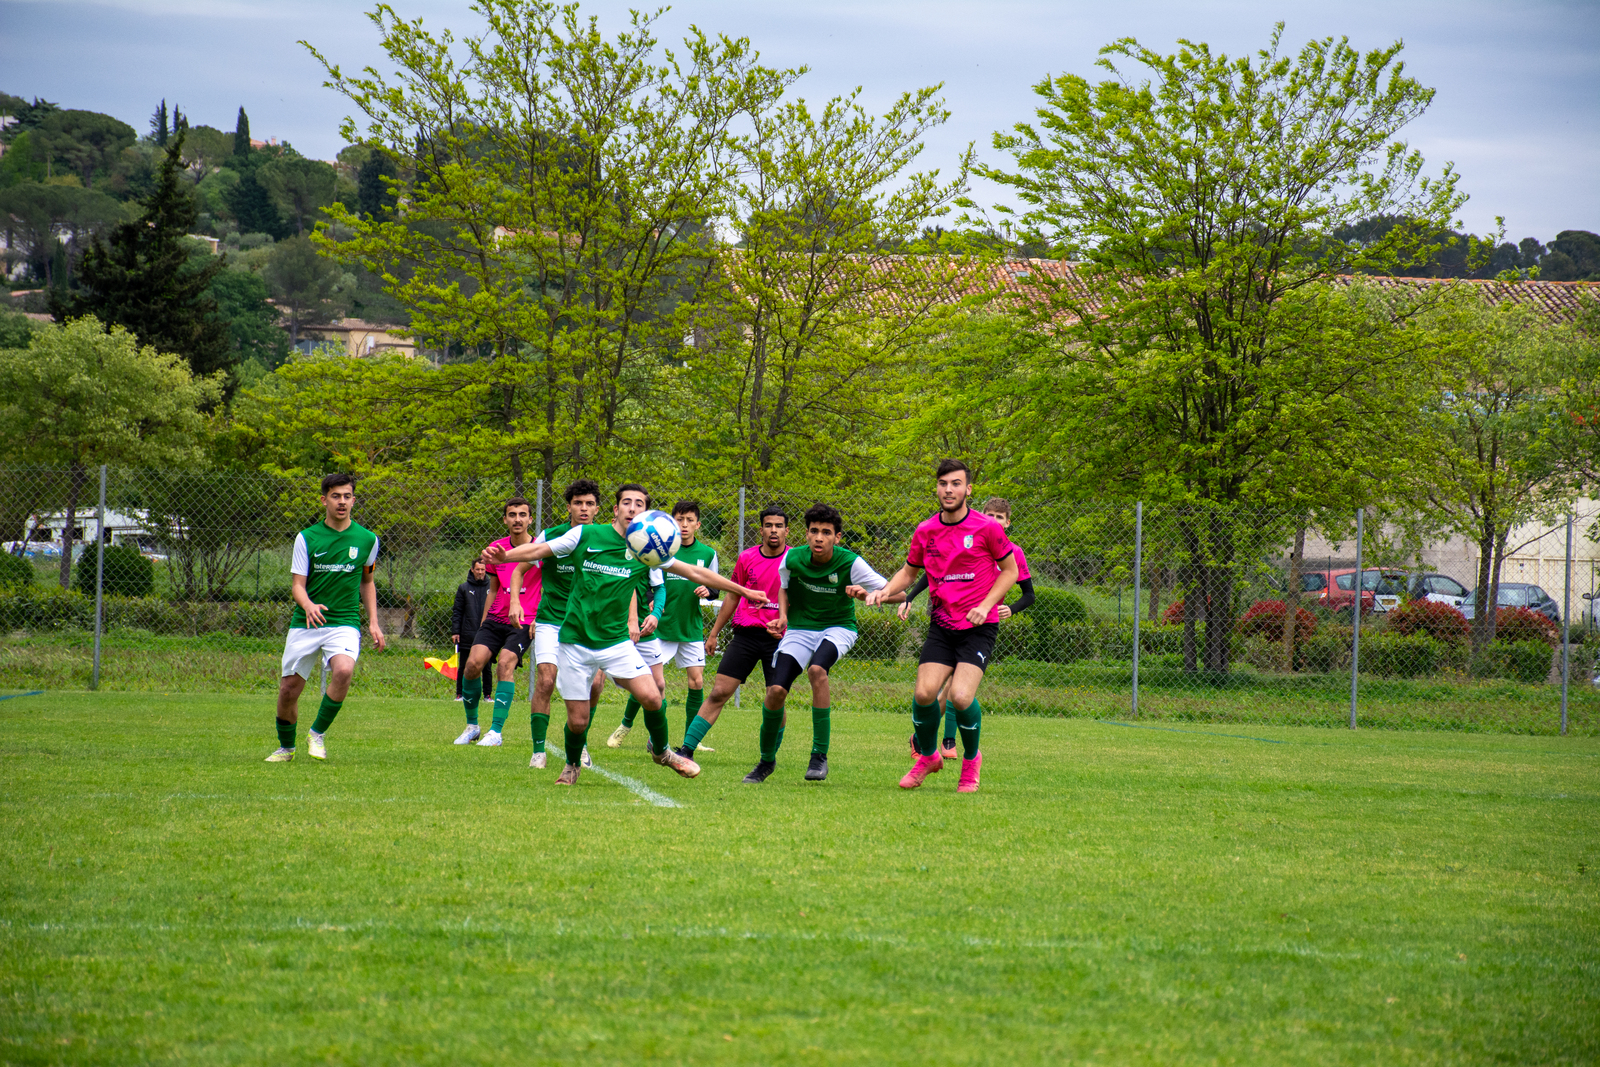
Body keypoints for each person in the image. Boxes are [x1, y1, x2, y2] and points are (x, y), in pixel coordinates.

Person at [486, 483, 767, 786]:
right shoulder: (586, 535)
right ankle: (571, 764)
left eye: (639, 504)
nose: (632, 508)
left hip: (615, 642)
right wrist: (506, 557)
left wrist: (744, 591)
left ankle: (663, 752)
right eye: (627, 502)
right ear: (616, 509)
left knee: (653, 696)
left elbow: (696, 573)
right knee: (578, 721)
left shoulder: (646, 550)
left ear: (646, 512)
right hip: (575, 642)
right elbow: (539, 550)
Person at [868, 460, 1018, 793]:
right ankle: (928, 757)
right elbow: (909, 572)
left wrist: (985, 605)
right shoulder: (926, 530)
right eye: (943, 483)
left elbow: (1010, 571)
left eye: (955, 483)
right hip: (942, 624)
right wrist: (885, 591)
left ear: (968, 489)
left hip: (978, 626)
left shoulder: (987, 528)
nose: (948, 490)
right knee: (924, 694)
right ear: (936, 487)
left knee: (961, 697)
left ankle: (971, 761)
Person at [742, 503, 895, 785]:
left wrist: (866, 594)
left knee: (817, 670)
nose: (819, 538)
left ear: (837, 537)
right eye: (814, 531)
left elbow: (897, 594)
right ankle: (765, 761)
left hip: (838, 628)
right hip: (800, 629)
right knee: (775, 691)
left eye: (826, 532)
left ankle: (819, 756)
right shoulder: (793, 559)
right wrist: (783, 617)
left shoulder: (851, 562)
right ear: (806, 534)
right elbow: (784, 589)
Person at [899, 495, 1036, 759]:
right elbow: (933, 572)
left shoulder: (1014, 553)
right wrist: (910, 596)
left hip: (980, 624)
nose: (993, 520)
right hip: (948, 620)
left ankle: (934, 740)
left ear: (1007, 523)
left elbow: (1028, 594)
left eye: (999, 517)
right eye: (989, 515)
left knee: (957, 690)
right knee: (946, 689)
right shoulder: (969, 540)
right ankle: (942, 742)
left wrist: (1011, 608)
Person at [266, 473, 386, 763]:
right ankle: (286, 748)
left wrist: (373, 621)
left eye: (347, 496)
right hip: (306, 622)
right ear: (324, 500)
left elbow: (367, 581)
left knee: (343, 670)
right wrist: (308, 604)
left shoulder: (368, 540)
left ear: (353, 500)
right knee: (288, 690)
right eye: (335, 496)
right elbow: (297, 585)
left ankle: (316, 734)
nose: (341, 501)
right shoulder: (306, 538)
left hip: (344, 621)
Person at [673, 505, 789, 763]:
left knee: (776, 698)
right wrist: (714, 633)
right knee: (719, 692)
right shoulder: (747, 558)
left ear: (786, 531)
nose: (773, 530)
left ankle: (768, 759)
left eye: (778, 526)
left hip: (780, 641)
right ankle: (687, 750)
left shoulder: (794, 560)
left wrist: (786, 623)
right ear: (761, 530)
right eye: (768, 525)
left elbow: (801, 600)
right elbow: (732, 595)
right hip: (746, 636)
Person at [609, 500, 720, 752]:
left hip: (690, 627)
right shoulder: (660, 549)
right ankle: (625, 725)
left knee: (697, 682)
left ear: (698, 525)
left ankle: (692, 740)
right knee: (647, 681)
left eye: (689, 520)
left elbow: (715, 586)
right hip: (660, 628)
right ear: (671, 523)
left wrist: (709, 591)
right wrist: (651, 603)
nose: (684, 525)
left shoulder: (708, 553)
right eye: (679, 519)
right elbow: (650, 583)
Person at [510, 480, 606, 770]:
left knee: (595, 684)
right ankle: (538, 751)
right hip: (551, 621)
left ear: (597, 509)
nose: (584, 508)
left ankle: (581, 742)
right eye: (578, 503)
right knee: (546, 681)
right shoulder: (551, 536)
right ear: (569, 507)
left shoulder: (606, 539)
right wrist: (515, 601)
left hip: (589, 623)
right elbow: (519, 569)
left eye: (589, 504)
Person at [454, 497, 539, 747]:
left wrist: (541, 616)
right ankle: (472, 727)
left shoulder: (540, 549)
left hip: (524, 620)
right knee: (472, 665)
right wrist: (483, 622)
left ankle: (496, 732)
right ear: (505, 519)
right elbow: (492, 590)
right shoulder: (495, 549)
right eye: (512, 515)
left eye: (522, 515)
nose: (517, 520)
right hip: (495, 618)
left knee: (504, 664)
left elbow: (549, 586)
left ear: (530, 519)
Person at [449, 558, 490, 702]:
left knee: (487, 666)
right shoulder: (463, 588)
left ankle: (487, 695)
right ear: (472, 570)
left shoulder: (492, 588)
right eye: (477, 569)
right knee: (464, 665)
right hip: (467, 634)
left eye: (483, 570)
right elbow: (457, 611)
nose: (480, 572)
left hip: (487, 633)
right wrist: (456, 631)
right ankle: (460, 694)